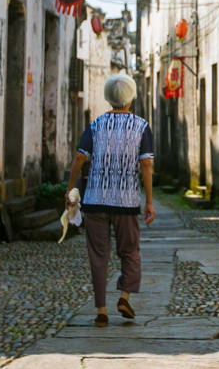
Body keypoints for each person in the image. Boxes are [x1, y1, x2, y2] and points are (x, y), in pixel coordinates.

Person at [65, 73, 155, 327]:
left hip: (95, 200)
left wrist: (70, 189)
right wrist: (148, 200)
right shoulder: (141, 126)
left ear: (108, 97)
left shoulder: (96, 125)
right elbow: (146, 164)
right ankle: (125, 295)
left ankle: (101, 310)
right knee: (130, 251)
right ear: (131, 97)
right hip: (126, 202)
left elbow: (79, 158)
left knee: (98, 255)